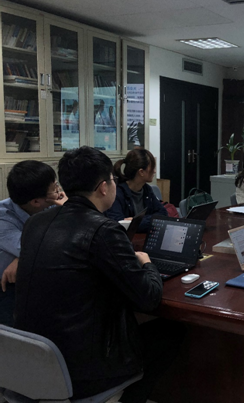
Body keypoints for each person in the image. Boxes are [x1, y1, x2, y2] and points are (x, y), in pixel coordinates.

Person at [14, 146, 183, 402]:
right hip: (81, 373)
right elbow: (149, 298)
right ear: (104, 187)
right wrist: (147, 264)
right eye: (113, 180)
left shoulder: (34, 223)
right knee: (171, 332)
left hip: (32, 359)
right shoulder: (104, 230)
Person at [0, 161, 66, 326]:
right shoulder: (3, 218)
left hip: (34, 281)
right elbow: (37, 248)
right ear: (36, 202)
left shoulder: (47, 204)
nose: (59, 191)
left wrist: (20, 258)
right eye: (55, 188)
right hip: (7, 288)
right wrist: (25, 254)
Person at [105, 148, 167, 233]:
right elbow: (119, 225)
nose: (155, 171)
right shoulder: (117, 193)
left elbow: (163, 215)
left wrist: (135, 221)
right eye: (152, 168)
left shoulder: (147, 190)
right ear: (141, 172)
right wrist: (149, 220)